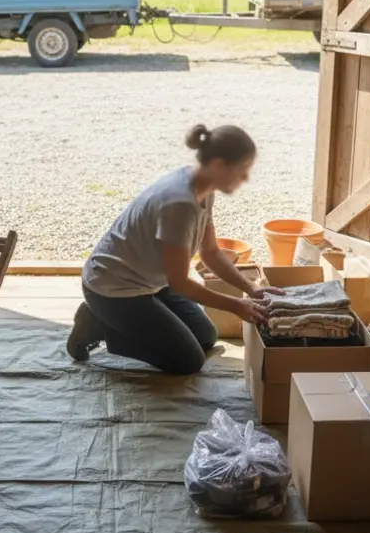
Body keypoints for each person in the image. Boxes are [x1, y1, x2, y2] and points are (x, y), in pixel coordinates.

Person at [68, 124, 284, 374]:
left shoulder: (203, 187)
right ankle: (98, 326)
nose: (245, 179)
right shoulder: (180, 205)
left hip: (149, 281)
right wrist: (236, 305)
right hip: (113, 289)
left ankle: (114, 321)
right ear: (217, 166)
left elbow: (211, 253)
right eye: (242, 170)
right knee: (187, 361)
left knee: (205, 336)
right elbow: (180, 283)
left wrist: (251, 289)